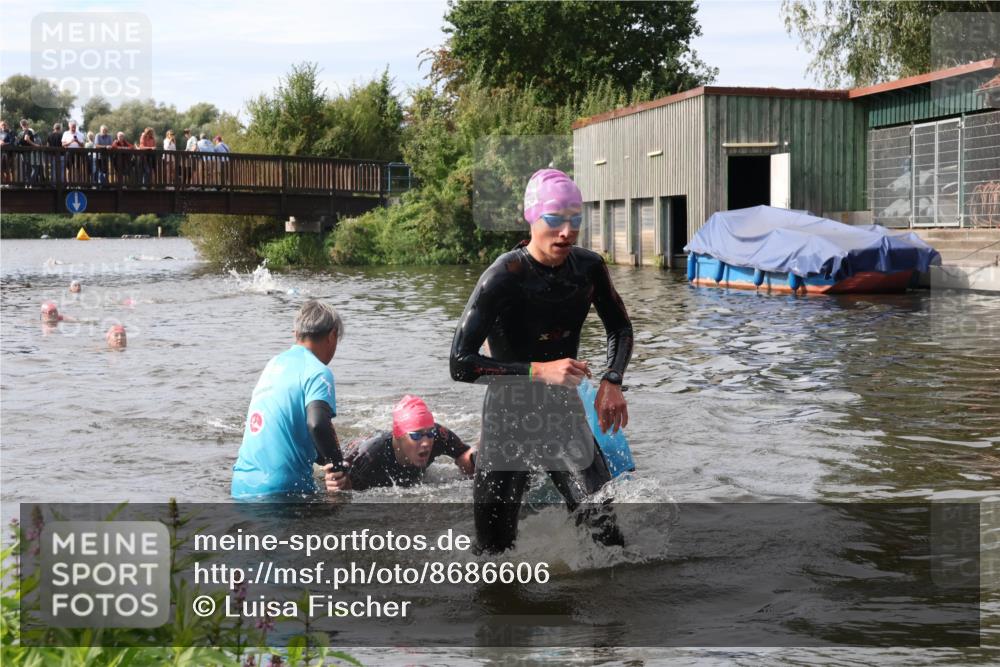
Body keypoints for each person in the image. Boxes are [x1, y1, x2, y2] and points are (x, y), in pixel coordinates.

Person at [449, 168, 633, 554]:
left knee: (606, 535)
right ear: (532, 217)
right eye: (555, 220)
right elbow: (461, 363)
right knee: (494, 555)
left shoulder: (588, 269)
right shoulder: (503, 276)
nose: (567, 232)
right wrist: (538, 371)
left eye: (575, 220)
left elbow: (620, 327)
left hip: (562, 415)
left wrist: (612, 380)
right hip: (507, 421)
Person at [231, 300, 346, 499]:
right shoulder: (318, 372)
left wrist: (324, 459)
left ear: (296, 334)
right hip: (283, 491)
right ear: (332, 335)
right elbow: (318, 424)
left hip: (240, 486)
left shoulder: (273, 364)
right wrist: (338, 470)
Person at [324, 395, 475, 492]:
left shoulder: (439, 436)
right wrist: (339, 485)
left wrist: (474, 467)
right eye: (416, 436)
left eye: (429, 433)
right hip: (356, 449)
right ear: (398, 436)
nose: (426, 443)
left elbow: (464, 454)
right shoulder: (369, 457)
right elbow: (340, 491)